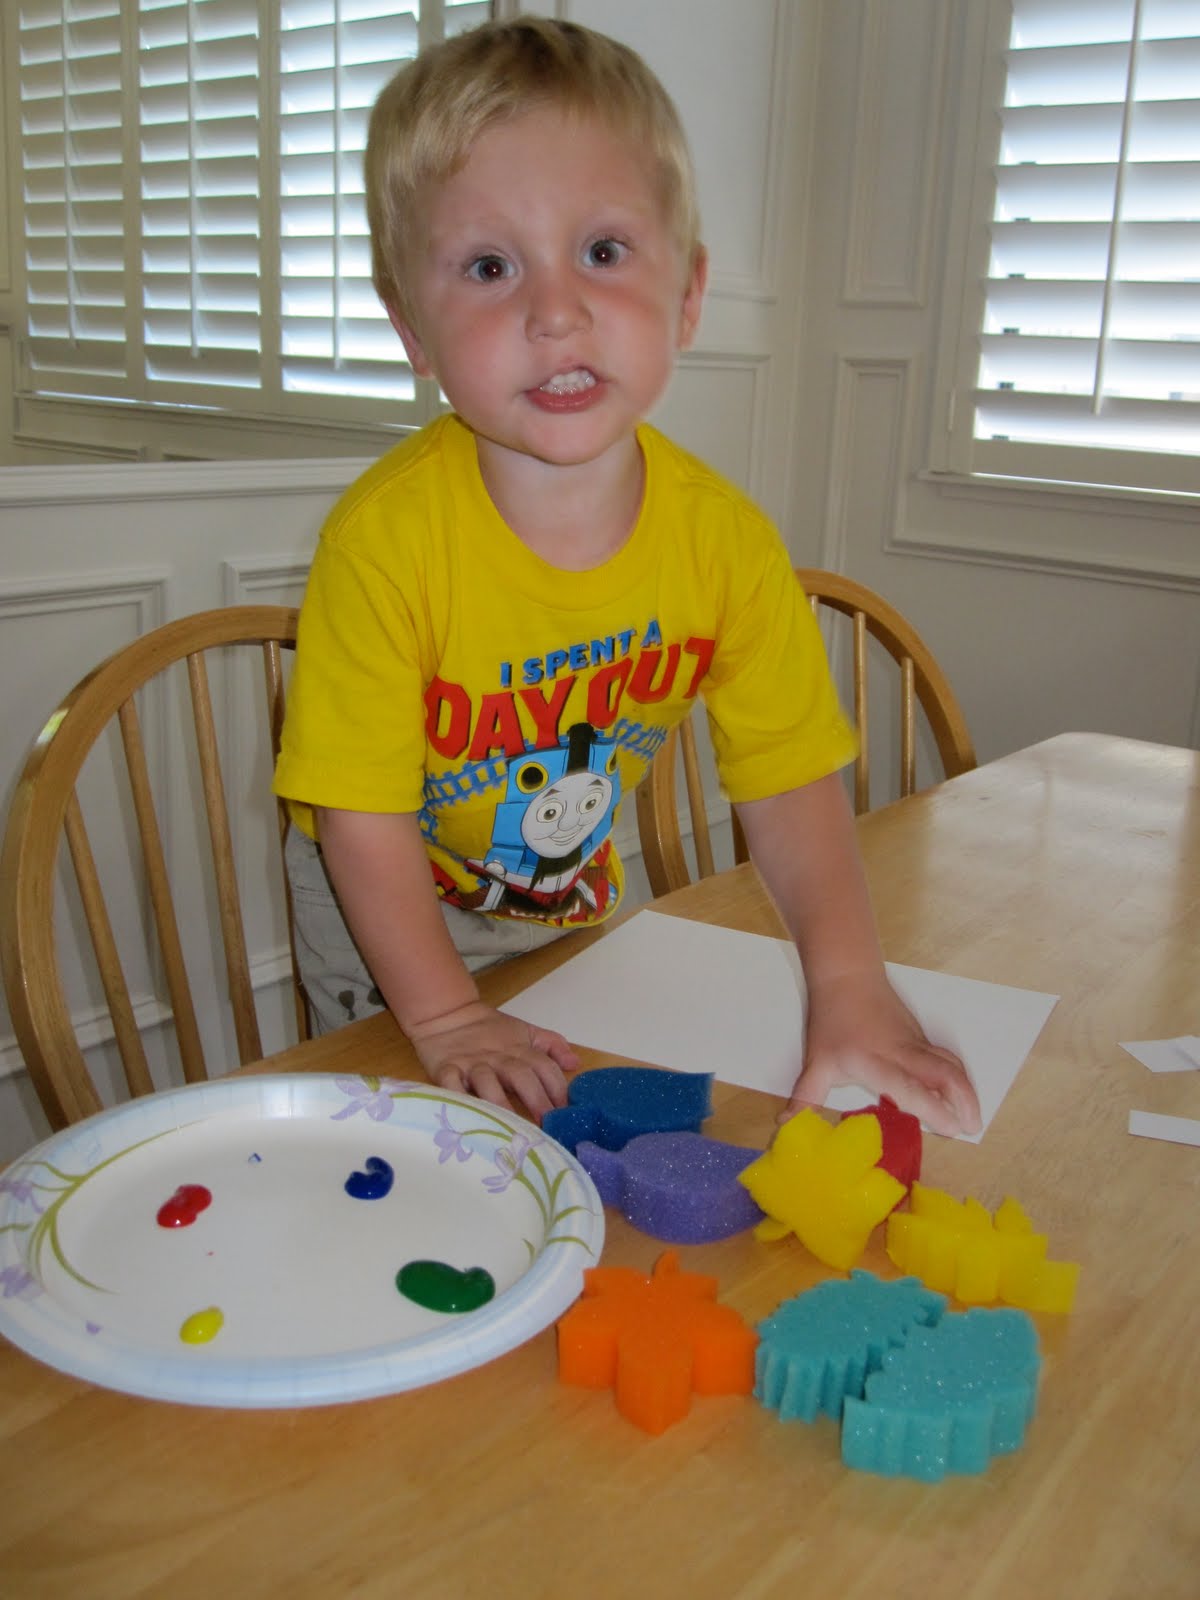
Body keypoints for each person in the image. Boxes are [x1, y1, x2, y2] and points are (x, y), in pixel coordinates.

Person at [272, 15, 981, 1139]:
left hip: (564, 899)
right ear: (413, 327)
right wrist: (448, 1017)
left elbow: (790, 784)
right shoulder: (382, 544)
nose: (555, 313)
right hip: (392, 918)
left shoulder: (725, 543)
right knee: (427, 1153)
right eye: (490, 266)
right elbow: (361, 819)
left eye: (603, 251)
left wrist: (850, 985)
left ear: (689, 293)